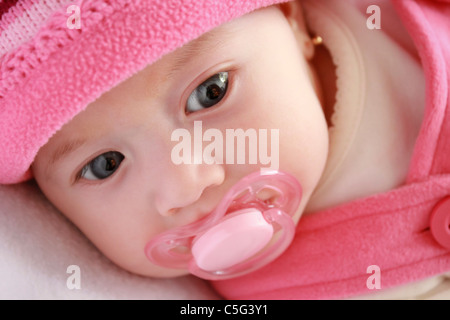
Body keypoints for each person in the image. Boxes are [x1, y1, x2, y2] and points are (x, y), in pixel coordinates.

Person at [1, 0, 449, 299]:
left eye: (210, 93)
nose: (186, 186)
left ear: (290, 17)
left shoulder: (398, 32)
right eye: (105, 165)